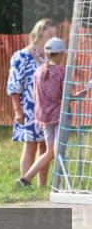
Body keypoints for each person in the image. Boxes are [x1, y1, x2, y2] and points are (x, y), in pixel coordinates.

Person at [8, 18, 56, 186]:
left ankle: (42, 185)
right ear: (40, 33)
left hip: (46, 110)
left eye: (54, 35)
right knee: (31, 145)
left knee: (45, 145)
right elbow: (14, 86)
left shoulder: (48, 58)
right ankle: (24, 182)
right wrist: (18, 111)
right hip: (28, 108)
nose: (52, 38)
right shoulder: (21, 56)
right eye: (50, 34)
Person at [17, 37, 67, 187]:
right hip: (58, 116)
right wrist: (81, 95)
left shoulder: (38, 71)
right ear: (59, 54)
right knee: (54, 151)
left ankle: (25, 179)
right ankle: (30, 179)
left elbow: (34, 96)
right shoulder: (61, 71)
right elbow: (65, 96)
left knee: (50, 151)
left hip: (43, 117)